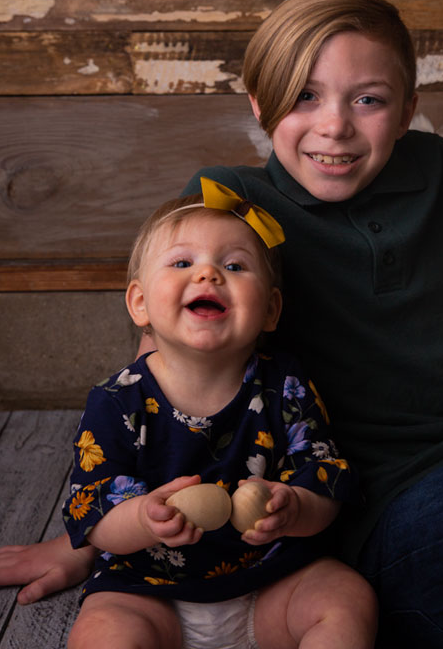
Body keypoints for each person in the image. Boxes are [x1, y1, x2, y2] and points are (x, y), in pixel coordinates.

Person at [0, 0, 443, 648]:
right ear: (261, 104)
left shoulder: (436, 169)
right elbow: (167, 378)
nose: (335, 125)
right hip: (357, 519)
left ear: (408, 110)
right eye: (304, 96)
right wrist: (93, 536)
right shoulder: (228, 207)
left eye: (368, 99)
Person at [65, 184, 375, 648]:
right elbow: (92, 510)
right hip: (150, 593)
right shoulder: (116, 401)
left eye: (234, 265)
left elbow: (324, 478)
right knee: (102, 632)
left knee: (349, 598)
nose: (208, 273)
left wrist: (294, 507)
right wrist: (144, 520)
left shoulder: (284, 384)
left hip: (272, 582)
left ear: (270, 310)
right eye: (182, 262)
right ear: (140, 303)